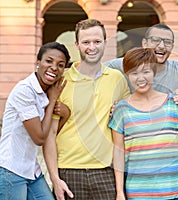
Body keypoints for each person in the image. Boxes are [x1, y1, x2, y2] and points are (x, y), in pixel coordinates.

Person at [43, 19, 130, 200]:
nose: (92, 47)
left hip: (106, 171)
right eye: (86, 42)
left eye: (97, 42)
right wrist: (55, 178)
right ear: (77, 44)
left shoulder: (117, 79)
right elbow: (49, 135)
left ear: (105, 43)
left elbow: (127, 121)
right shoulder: (61, 81)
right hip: (68, 170)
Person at [109, 47, 178, 200]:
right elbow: (118, 153)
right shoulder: (121, 110)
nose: (140, 78)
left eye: (146, 72)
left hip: (175, 190)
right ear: (127, 75)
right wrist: (119, 192)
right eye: (134, 73)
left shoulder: (172, 102)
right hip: (138, 193)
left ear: (154, 73)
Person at [0, 42, 70, 199]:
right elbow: (39, 138)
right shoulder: (25, 90)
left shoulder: (46, 91)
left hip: (32, 170)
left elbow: (48, 135)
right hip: (11, 171)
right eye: (49, 61)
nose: (54, 67)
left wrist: (66, 115)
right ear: (38, 63)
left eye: (60, 65)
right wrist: (52, 100)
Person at [105, 24, 178, 96]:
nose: (161, 46)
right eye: (155, 40)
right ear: (144, 43)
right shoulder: (126, 64)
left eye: (167, 42)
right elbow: (94, 72)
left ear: (172, 47)